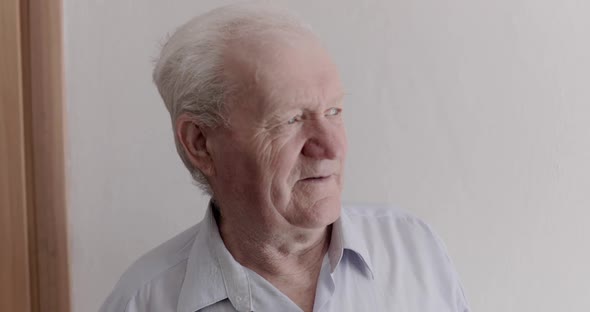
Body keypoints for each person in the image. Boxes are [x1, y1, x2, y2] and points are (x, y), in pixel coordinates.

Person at [100, 3, 470, 312]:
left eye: (334, 112)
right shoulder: (144, 301)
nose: (331, 147)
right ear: (200, 143)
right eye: (291, 119)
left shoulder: (413, 249)